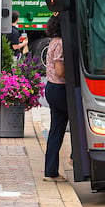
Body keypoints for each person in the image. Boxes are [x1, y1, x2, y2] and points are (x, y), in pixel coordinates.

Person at [42, 15, 69, 181]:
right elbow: (60, 70)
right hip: (60, 88)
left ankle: (51, 171)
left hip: (51, 88)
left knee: (56, 131)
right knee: (80, 119)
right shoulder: (60, 43)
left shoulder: (52, 42)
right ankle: (76, 157)